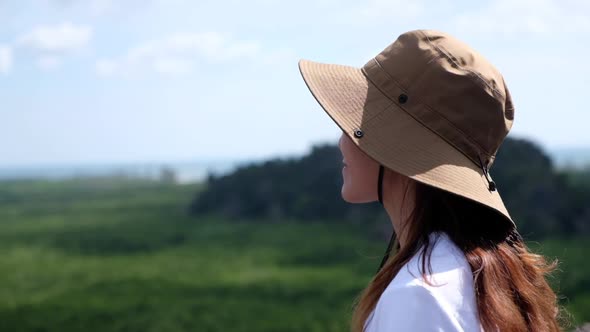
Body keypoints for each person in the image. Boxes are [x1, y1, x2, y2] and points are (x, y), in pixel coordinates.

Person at [298, 30, 563, 332]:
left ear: (395, 143)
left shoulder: (419, 296)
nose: (342, 142)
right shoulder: (480, 272)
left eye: (354, 124)